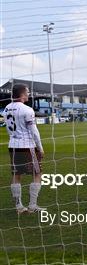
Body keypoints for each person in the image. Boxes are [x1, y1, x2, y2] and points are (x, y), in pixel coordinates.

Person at [3, 83, 45, 213]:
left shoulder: (6, 108)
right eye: (27, 92)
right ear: (22, 94)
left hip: (13, 146)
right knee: (37, 174)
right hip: (26, 146)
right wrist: (40, 148)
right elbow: (34, 131)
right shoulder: (27, 109)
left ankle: (19, 207)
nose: (29, 94)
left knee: (16, 174)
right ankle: (32, 205)